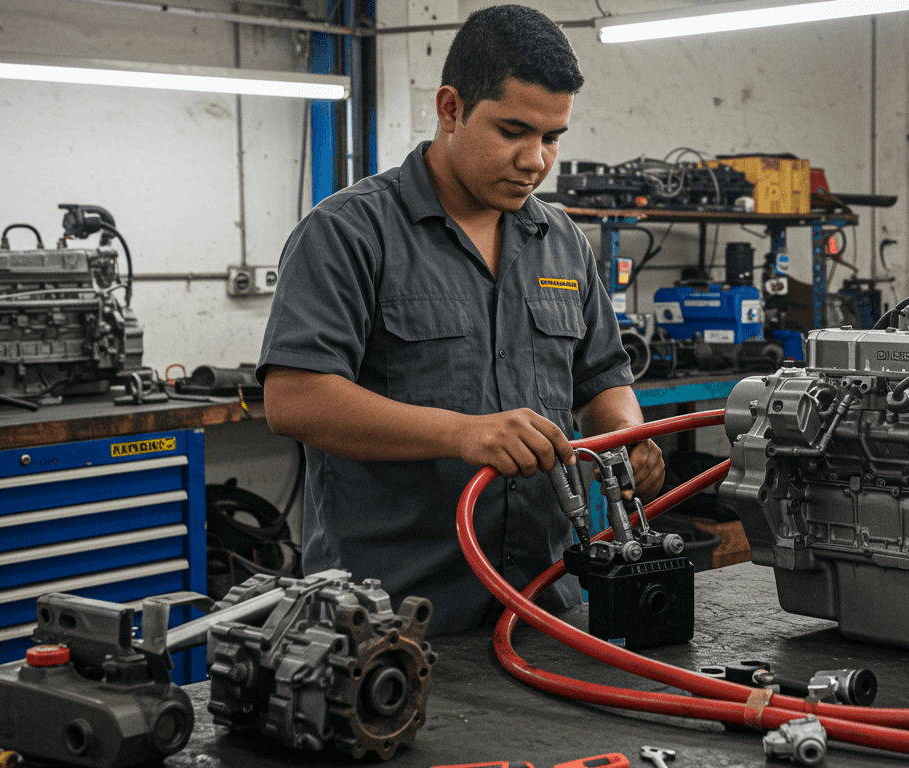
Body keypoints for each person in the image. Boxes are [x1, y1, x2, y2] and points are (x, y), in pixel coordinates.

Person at [257, 4, 664, 637]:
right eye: (512, 131)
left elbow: (602, 375)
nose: (535, 160)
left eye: (552, 137)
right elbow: (295, 400)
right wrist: (465, 434)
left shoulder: (561, 241)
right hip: (390, 622)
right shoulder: (348, 233)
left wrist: (627, 436)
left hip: (544, 605)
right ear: (450, 108)